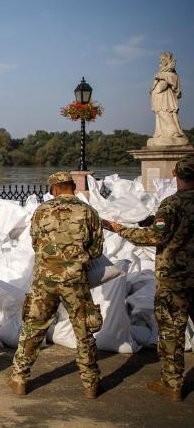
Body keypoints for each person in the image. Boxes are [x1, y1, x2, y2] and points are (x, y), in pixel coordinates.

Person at [103, 157, 194, 402]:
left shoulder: (172, 204)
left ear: (177, 175)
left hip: (176, 277)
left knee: (172, 330)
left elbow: (154, 237)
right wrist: (153, 221)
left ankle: (172, 383)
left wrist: (118, 228)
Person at [8, 171, 104, 399]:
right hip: (76, 280)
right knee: (84, 331)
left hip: (45, 280)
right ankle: (90, 383)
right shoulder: (88, 212)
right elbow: (96, 249)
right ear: (72, 187)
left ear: (54, 189)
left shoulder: (42, 211)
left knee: (33, 329)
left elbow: (34, 242)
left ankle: (20, 378)